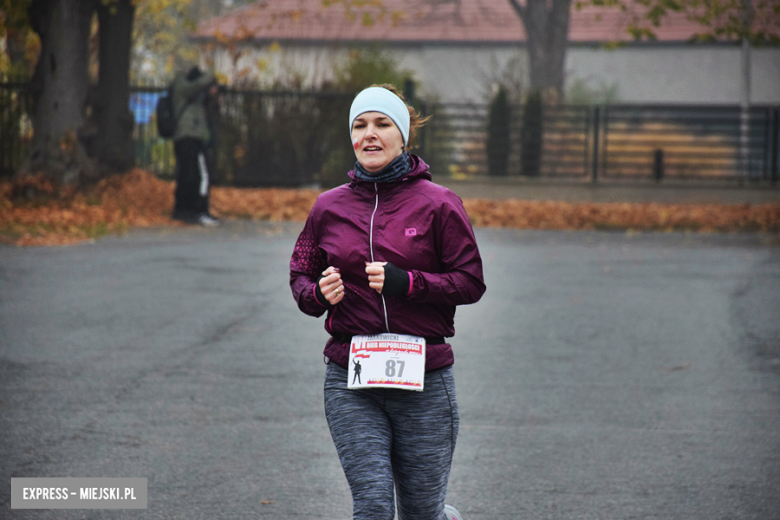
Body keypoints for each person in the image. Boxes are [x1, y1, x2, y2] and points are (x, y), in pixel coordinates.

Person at [289, 85, 486, 520]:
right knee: (374, 506)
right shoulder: (328, 208)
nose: (369, 134)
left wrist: (409, 283)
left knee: (421, 512)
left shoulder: (440, 204)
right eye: (360, 125)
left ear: (403, 136)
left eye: (382, 123)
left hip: (425, 381)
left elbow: (471, 282)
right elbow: (300, 274)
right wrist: (317, 293)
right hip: (350, 380)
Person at [170, 65, 221, 227]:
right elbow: (197, 86)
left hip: (193, 137)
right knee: (192, 174)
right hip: (187, 137)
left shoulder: (195, 97)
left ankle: (186, 209)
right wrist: (210, 76)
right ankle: (190, 209)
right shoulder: (183, 87)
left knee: (189, 174)